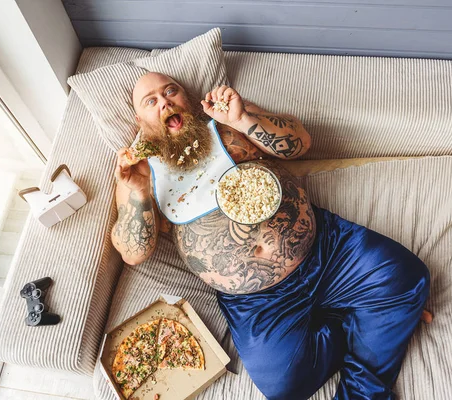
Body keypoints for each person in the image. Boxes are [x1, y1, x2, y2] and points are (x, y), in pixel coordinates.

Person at [111, 72, 431, 400]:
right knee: (283, 388)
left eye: (171, 91)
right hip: (256, 300)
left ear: (186, 98)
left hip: (328, 250)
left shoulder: (223, 119)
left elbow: (299, 142)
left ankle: (363, 379)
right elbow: (133, 252)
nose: (165, 102)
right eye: (151, 101)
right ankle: (370, 319)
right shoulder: (138, 172)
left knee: (407, 276)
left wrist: (242, 118)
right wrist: (136, 193)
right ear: (140, 120)